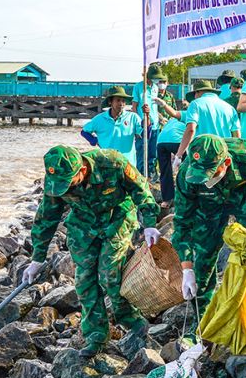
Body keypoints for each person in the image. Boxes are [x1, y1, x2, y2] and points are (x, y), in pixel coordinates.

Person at [21, 145, 160, 357]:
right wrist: (37, 258)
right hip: (83, 226)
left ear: (82, 171)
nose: (64, 190)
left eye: (69, 183)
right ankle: (96, 335)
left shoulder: (112, 162)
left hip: (117, 220)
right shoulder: (57, 181)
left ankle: (130, 318)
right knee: (85, 282)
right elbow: (46, 218)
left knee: (109, 275)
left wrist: (150, 222)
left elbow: (140, 190)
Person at [173, 134, 246, 322]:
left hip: (244, 196)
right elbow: (182, 222)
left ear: (226, 162)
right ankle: (203, 322)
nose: (204, 179)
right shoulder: (187, 174)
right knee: (202, 258)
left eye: (210, 173)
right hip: (208, 206)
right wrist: (187, 268)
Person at [154, 79, 240, 170]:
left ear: (199, 92)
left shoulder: (196, 104)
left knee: (199, 181)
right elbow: (236, 135)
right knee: (220, 180)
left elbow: (191, 129)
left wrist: (179, 155)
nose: (194, 97)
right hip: (223, 152)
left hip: (203, 153)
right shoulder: (229, 108)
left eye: (195, 94)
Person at [82, 86, 143, 167]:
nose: (121, 104)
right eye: (118, 100)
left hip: (128, 164)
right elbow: (84, 131)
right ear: (110, 102)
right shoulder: (100, 119)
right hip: (108, 163)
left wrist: (147, 118)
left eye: (123, 101)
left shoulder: (132, 117)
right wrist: (94, 140)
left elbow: (145, 133)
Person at [155, 101, 188, 208]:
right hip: (177, 140)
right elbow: (191, 135)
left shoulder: (172, 119)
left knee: (165, 171)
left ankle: (166, 200)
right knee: (187, 169)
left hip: (161, 141)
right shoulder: (191, 116)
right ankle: (185, 197)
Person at [132, 66, 162, 177]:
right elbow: (134, 107)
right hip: (143, 125)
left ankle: (152, 173)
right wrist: (136, 125)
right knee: (141, 151)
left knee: (153, 152)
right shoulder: (139, 87)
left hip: (155, 124)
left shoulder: (155, 88)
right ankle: (140, 174)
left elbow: (155, 107)